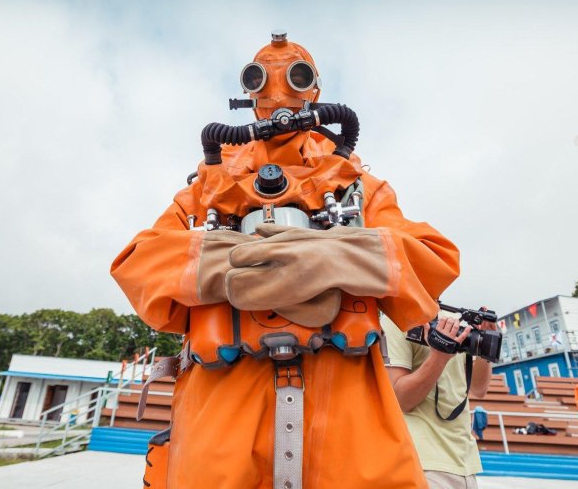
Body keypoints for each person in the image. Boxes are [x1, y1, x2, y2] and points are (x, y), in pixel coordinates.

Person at [111, 31, 460, 489]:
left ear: (314, 92)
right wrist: (219, 266)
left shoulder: (356, 184)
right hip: (220, 420)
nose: (279, 92)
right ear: (249, 92)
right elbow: (138, 263)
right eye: (262, 78)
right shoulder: (209, 185)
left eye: (296, 77)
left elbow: (434, 259)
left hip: (348, 421)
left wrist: (339, 256)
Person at [381, 309, 495, 489]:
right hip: (422, 460)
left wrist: (486, 343)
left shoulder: (456, 322)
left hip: (465, 461)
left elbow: (479, 389)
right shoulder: (398, 319)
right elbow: (401, 400)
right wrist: (439, 357)